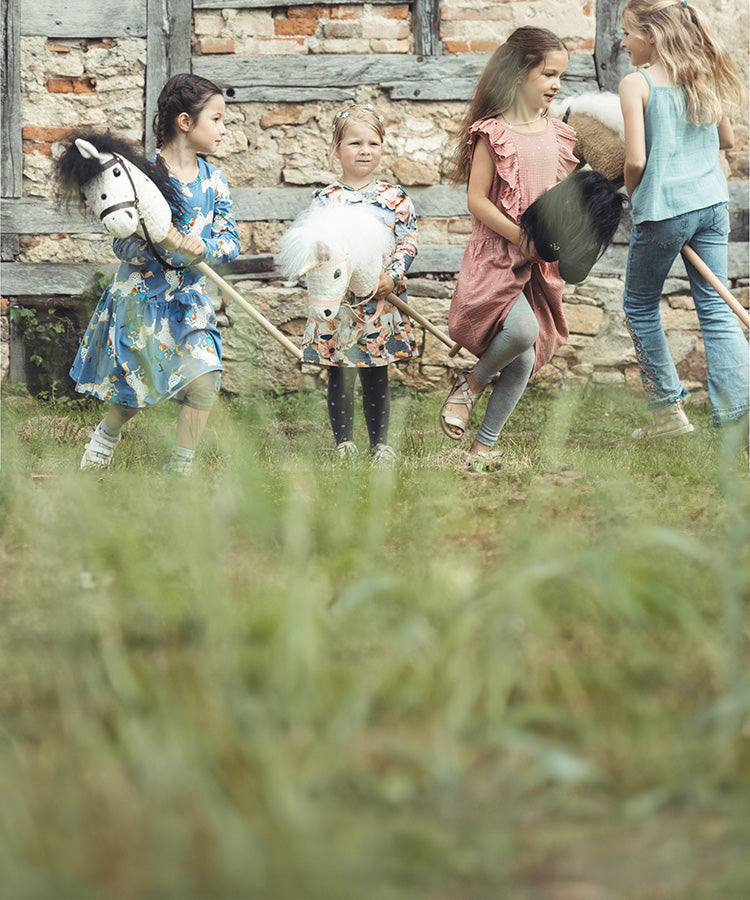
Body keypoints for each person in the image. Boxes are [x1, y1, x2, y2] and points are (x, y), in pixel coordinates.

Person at [72, 74, 240, 473]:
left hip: (189, 301)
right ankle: (105, 438)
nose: (223, 129)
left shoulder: (213, 181)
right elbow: (122, 244)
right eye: (216, 119)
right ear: (186, 122)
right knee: (133, 392)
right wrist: (164, 243)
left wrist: (206, 247)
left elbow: (230, 242)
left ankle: (180, 467)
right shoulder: (142, 177)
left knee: (206, 378)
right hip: (142, 298)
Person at [440, 27, 578, 468]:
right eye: (549, 74)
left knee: (522, 361)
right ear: (520, 73)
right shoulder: (493, 132)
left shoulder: (557, 134)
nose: (556, 84)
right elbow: (476, 199)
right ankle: (470, 386)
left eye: (560, 76)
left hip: (536, 263)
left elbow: (556, 195)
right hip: (498, 257)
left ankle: (482, 448)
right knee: (521, 332)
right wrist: (521, 236)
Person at [619, 0, 748, 439]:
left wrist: (637, 197)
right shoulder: (703, 74)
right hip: (712, 205)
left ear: (651, 35)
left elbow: (635, 160)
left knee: (638, 306)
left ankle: (667, 416)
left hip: (665, 210)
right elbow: (726, 139)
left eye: (627, 33)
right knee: (716, 308)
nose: (622, 42)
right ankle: (741, 418)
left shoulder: (635, 84)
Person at [300, 104, 419, 464]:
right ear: (337, 149)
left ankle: (380, 444)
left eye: (373, 143)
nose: (364, 150)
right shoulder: (325, 200)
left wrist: (392, 276)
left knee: (376, 371)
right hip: (340, 303)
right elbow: (316, 246)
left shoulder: (394, 198)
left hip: (380, 304)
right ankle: (344, 444)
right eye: (354, 143)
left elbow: (408, 240)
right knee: (341, 371)